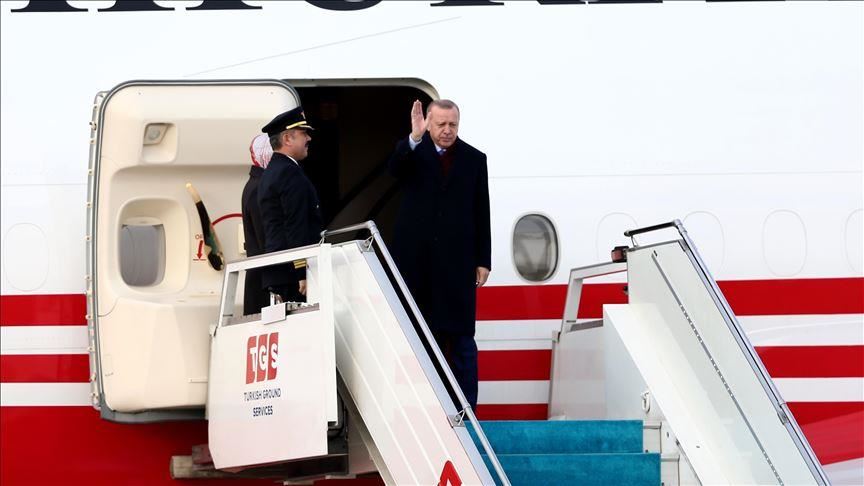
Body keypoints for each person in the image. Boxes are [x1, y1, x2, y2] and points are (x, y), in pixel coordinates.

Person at [388, 99, 491, 410]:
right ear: (428, 123)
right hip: (418, 267)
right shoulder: (413, 153)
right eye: (441, 124)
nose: (447, 130)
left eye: (452, 125)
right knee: (422, 337)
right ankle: (428, 408)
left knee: (462, 340)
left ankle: (467, 410)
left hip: (457, 266)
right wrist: (414, 137)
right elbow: (393, 170)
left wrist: (483, 259)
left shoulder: (474, 159)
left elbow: (481, 211)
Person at [257, 106, 322, 303]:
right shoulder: (288, 172)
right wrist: (302, 271)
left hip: (281, 270)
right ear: (287, 139)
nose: (309, 138)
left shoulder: (272, 170)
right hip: (293, 274)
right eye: (303, 133)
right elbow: (295, 224)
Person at [241, 134, 272, 315]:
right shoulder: (259, 188)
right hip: (263, 281)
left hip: (261, 277)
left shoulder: (257, 184)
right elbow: (264, 238)